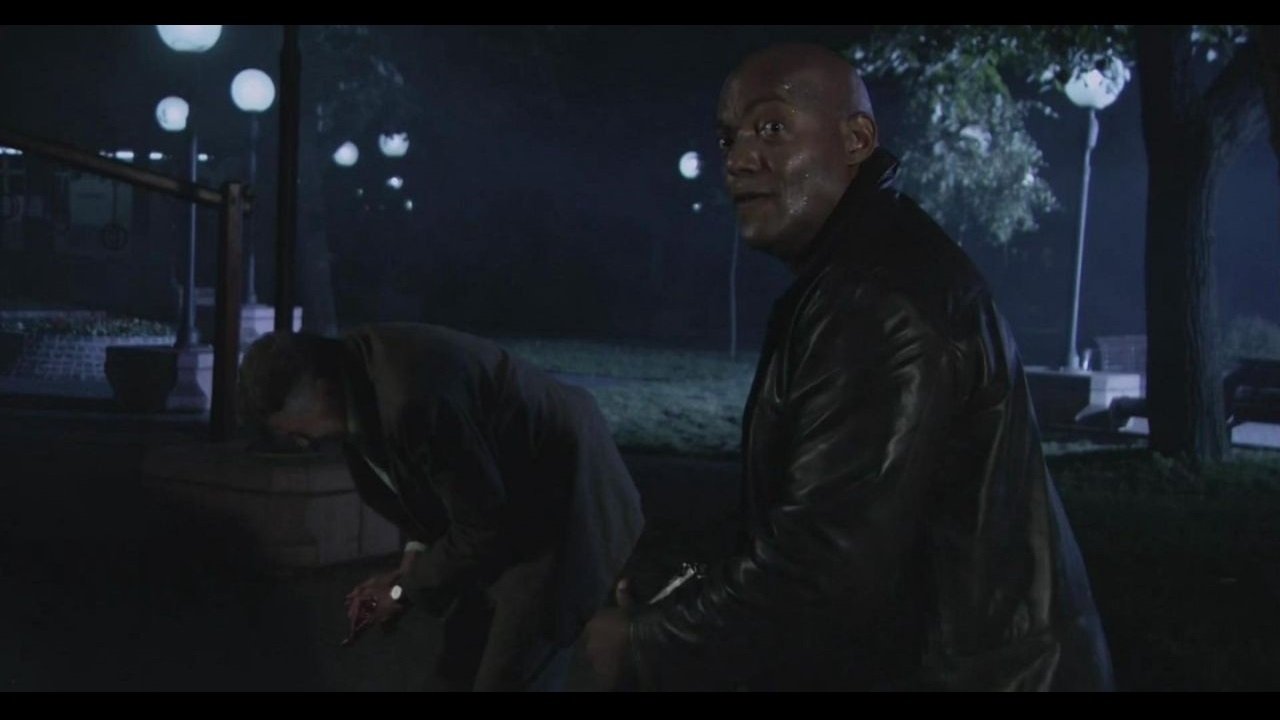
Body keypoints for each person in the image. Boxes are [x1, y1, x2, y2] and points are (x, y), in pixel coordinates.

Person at [583, 43, 1114, 691]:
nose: (738, 159)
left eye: (771, 127)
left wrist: (638, 645)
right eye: (729, 138)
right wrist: (680, 578)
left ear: (856, 139)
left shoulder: (878, 301)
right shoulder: (859, 274)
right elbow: (803, 515)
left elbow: (821, 570)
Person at [238, 323, 644, 691]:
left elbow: (482, 526)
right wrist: (409, 567)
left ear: (323, 391)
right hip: (501, 510)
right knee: (454, 671)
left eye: (298, 431)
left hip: (560, 506)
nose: (301, 443)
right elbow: (429, 491)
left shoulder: (412, 399)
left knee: (508, 675)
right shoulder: (353, 384)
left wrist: (401, 590)